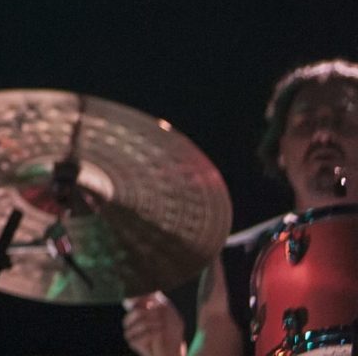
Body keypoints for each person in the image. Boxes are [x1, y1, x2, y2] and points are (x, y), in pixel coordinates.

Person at [123, 59, 358, 356]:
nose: (323, 135)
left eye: (343, 120)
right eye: (305, 123)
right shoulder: (236, 260)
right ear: (281, 149)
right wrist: (169, 349)